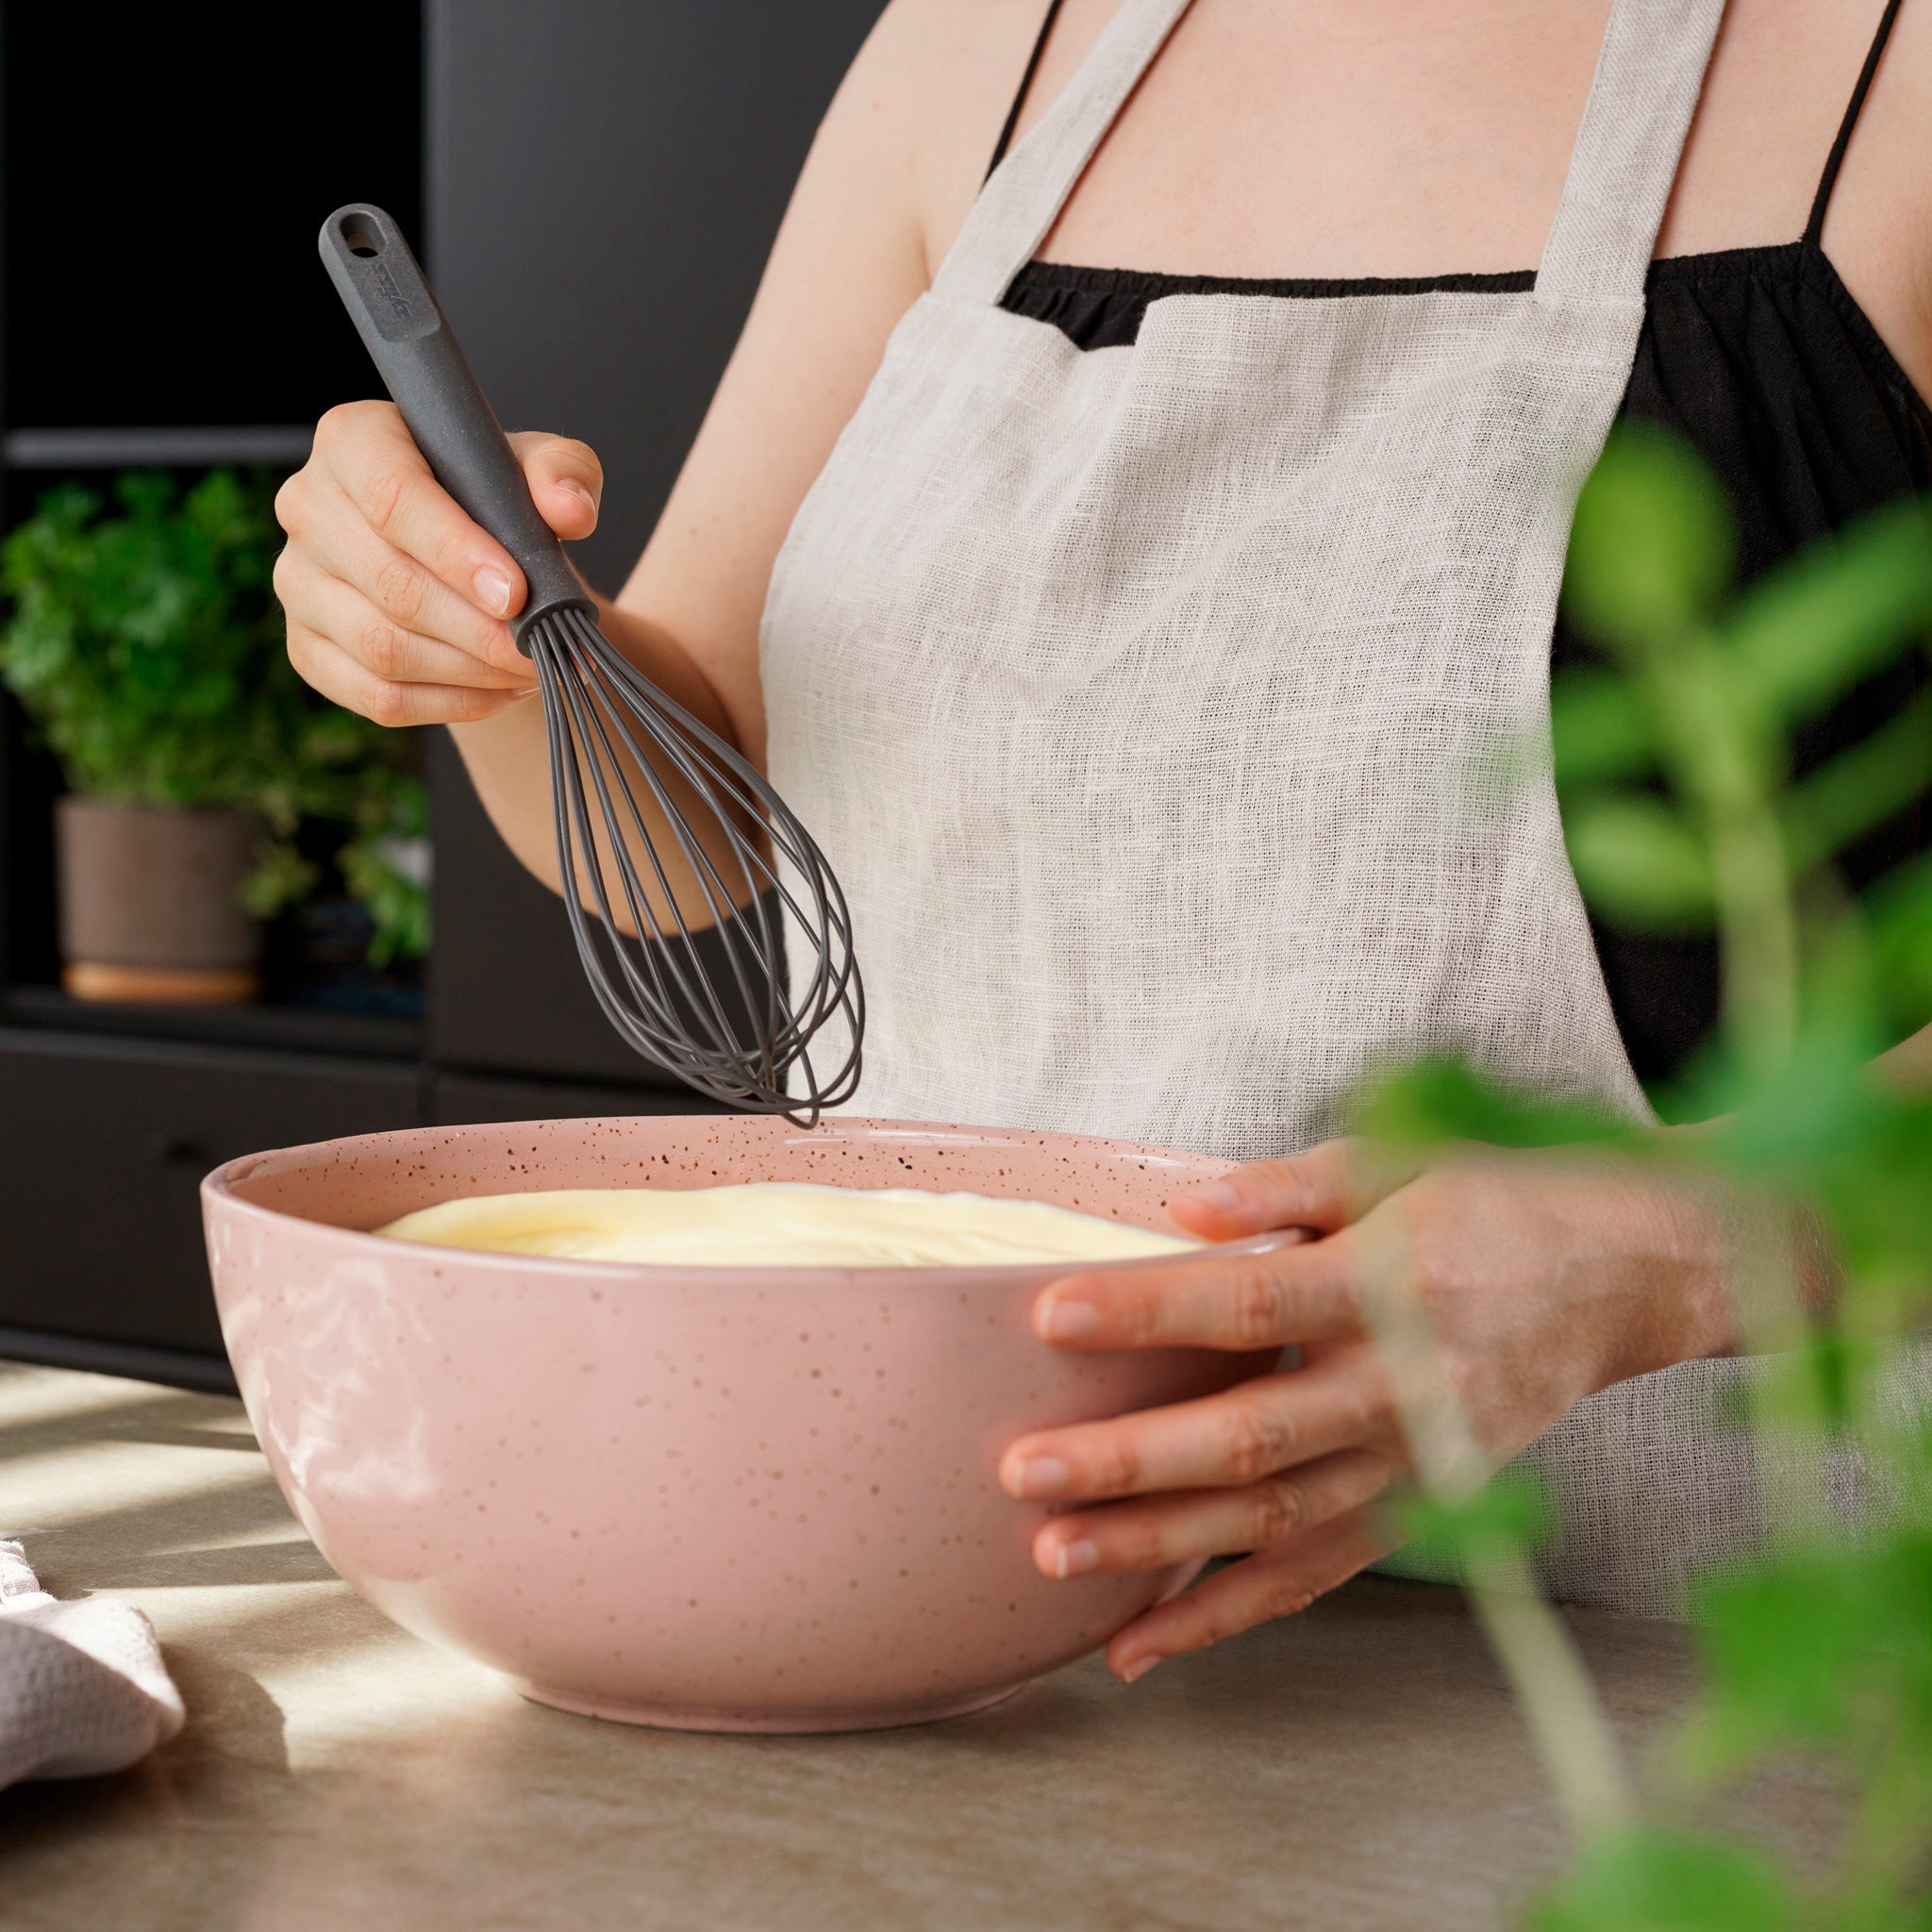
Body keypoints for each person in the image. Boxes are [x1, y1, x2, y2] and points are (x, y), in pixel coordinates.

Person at [274, 0, 1932, 1678]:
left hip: (1712, 1703)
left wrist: (1664, 1250)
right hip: (964, 1644)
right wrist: (483, 642)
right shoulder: (982, 44)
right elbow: (708, 820)